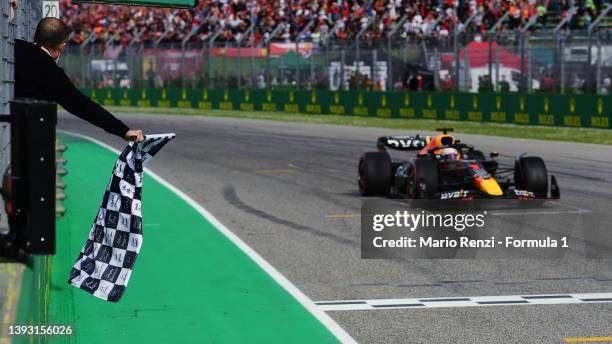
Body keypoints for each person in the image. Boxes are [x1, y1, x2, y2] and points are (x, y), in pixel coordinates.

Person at [15, 18, 143, 142]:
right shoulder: (52, 72)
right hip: (26, 135)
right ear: (61, 47)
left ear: (34, 36)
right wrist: (123, 131)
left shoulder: (13, 47)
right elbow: (82, 106)